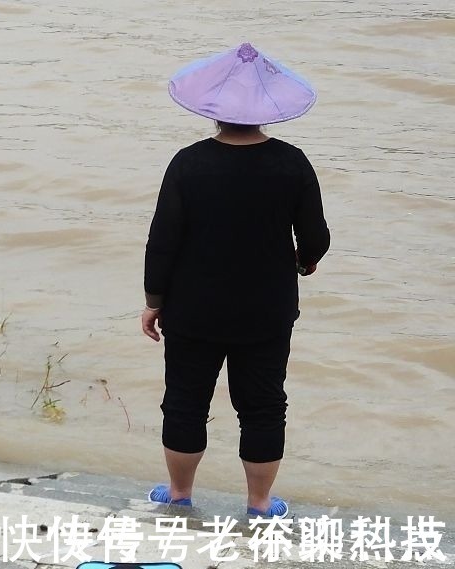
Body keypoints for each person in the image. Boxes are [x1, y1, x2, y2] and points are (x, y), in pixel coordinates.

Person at [141, 42, 330, 517]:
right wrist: (304, 262)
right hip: (266, 310)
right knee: (264, 406)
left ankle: (180, 496)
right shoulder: (292, 163)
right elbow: (315, 237)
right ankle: (260, 504)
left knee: (184, 401)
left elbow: (162, 241)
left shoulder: (187, 163)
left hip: (192, 308)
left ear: (214, 110)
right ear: (267, 111)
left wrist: (153, 299)